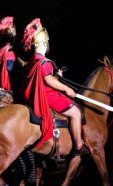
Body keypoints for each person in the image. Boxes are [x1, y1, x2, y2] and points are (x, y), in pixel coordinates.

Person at [21, 18, 90, 155]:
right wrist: (66, 88)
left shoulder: (33, 60)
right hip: (48, 95)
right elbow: (48, 81)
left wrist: (57, 76)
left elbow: (44, 78)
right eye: (46, 43)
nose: (47, 45)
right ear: (42, 44)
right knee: (76, 112)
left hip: (39, 93)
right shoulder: (44, 61)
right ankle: (79, 146)